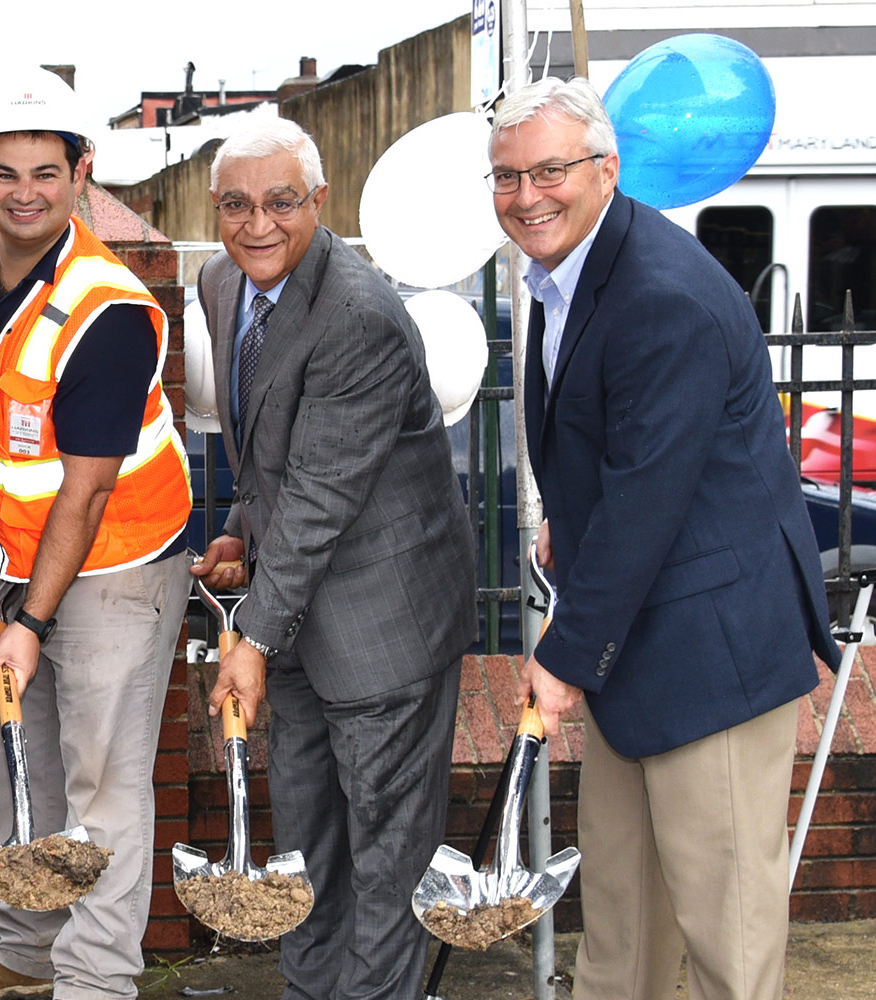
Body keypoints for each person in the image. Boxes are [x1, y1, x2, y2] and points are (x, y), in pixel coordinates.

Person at [494, 78, 829, 1000]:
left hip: (709, 654)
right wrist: (571, 519)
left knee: (727, 933)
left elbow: (651, 495)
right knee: (622, 923)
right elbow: (618, 440)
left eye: (551, 171)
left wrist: (560, 658)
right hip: (637, 644)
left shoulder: (659, 292)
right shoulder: (570, 270)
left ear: (607, 169)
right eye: (508, 177)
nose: (528, 197)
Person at [0, 68, 190, 1000]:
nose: (24, 192)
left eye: (46, 172)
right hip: (5, 567)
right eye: (6, 173)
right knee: (11, 766)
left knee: (100, 785)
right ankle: (24, 954)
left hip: (116, 564)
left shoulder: (107, 308)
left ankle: (96, 979)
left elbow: (84, 493)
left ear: (82, 175)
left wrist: (27, 623)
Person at [190, 116, 473, 1000]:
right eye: (236, 204)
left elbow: (319, 496)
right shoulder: (218, 283)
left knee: (386, 857)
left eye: (281, 201)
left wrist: (252, 639)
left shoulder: (359, 314)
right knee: (309, 844)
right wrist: (240, 524)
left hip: (385, 618)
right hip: (299, 613)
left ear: (320, 201)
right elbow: (274, 453)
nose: (257, 223)